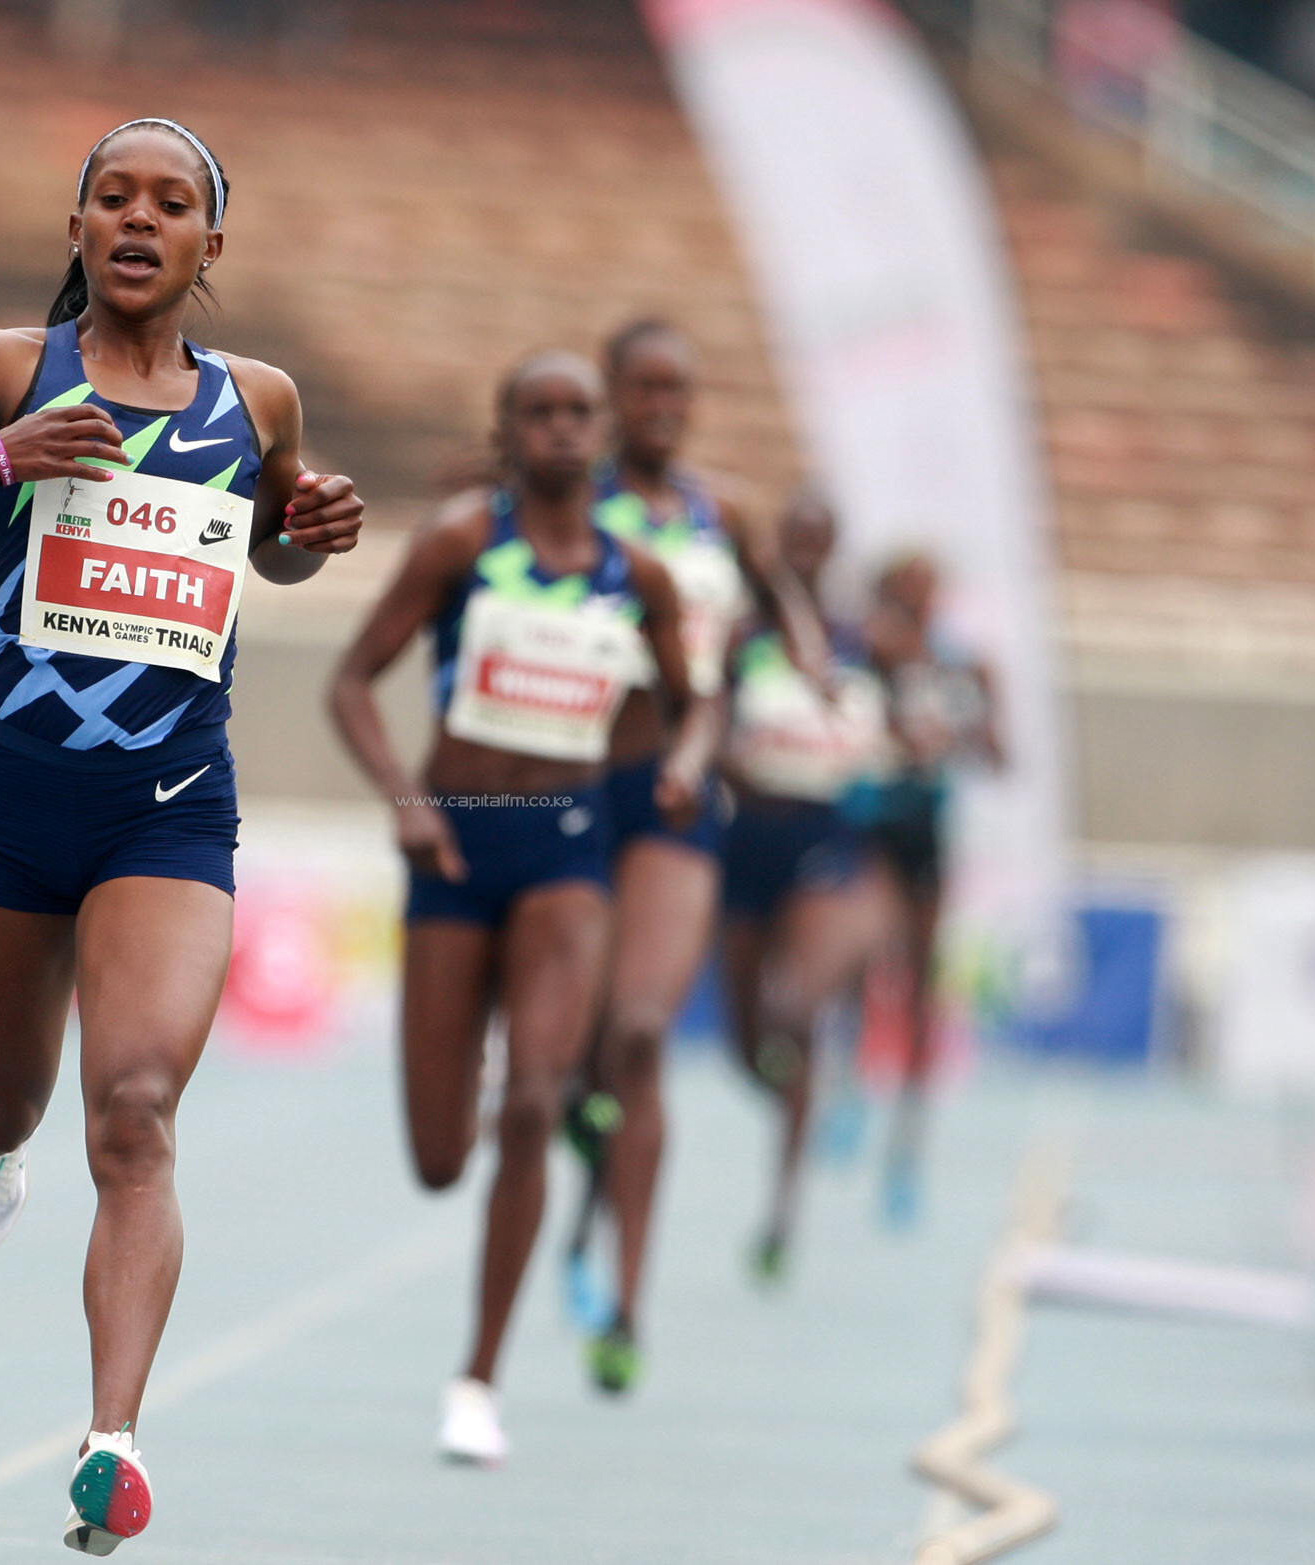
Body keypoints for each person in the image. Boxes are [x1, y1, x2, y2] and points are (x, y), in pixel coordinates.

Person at [0, 119, 364, 1554]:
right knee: (11, 1101)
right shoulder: (2, 375)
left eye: (170, 203)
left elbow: (267, 543)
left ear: (208, 245)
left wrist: (309, 528)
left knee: (135, 1109)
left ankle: (110, 1445)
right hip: (15, 800)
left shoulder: (259, 399)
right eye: (112, 196)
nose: (138, 219)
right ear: (76, 228)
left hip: (167, 807)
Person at [327, 351, 714, 1464]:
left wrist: (685, 763)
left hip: (565, 849)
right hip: (455, 846)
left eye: (576, 411)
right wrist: (404, 802)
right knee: (441, 1157)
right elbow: (350, 682)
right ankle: (512, 1107)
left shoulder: (636, 574)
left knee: (534, 1103)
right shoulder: (461, 543)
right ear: (506, 430)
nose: (560, 428)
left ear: (600, 431)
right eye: (537, 412)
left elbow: (695, 703)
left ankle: (478, 1378)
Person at [563, 319, 824, 1393]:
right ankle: (581, 1131)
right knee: (573, 1053)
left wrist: (802, 658)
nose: (663, 405)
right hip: (567, 787)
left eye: (680, 387)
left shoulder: (723, 514)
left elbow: (783, 606)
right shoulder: (573, 499)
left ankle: (627, 1304)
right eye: (644, 386)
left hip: (677, 796)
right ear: (610, 393)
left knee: (638, 1033)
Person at [717, 492, 891, 1282]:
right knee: (749, 1044)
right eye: (794, 537)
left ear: (835, 549)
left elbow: (907, 720)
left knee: (794, 1011)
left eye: (819, 540)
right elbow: (704, 719)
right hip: (747, 835)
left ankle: (783, 1209)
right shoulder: (743, 637)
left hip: (824, 835)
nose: (805, 552)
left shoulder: (861, 642)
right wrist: (728, 762)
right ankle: (792, 1086)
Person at [844, 553, 1004, 1229]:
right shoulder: (865, 653)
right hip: (868, 830)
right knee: (859, 963)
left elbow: (999, 756)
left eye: (927, 591)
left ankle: (906, 1151)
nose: (918, 602)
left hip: (925, 836)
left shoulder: (961, 666)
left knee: (919, 990)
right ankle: (846, 1087)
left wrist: (963, 730)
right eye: (904, 591)